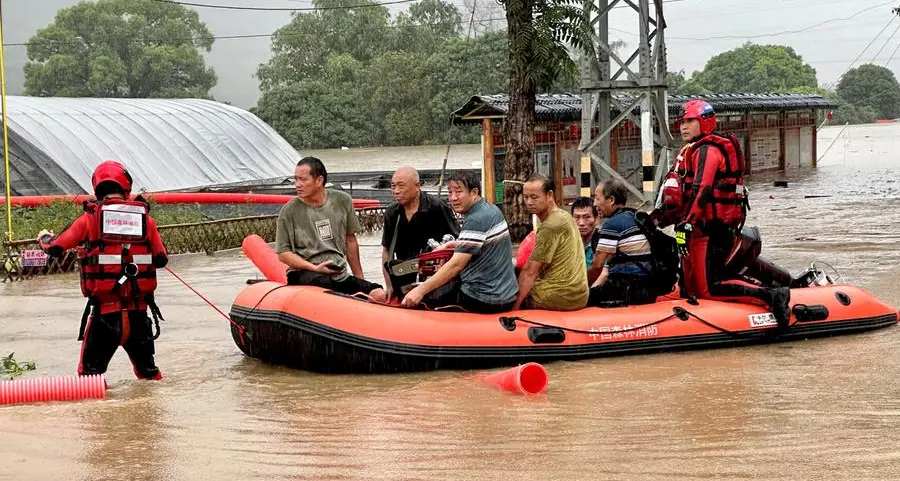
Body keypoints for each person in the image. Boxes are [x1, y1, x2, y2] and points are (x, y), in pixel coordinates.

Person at [659, 99, 791, 327]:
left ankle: (771, 296)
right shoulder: (691, 150)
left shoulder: (708, 150)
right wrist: (659, 219)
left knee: (708, 288)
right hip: (693, 228)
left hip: (710, 230)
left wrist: (687, 221)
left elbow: (702, 187)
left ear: (705, 122)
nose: (683, 126)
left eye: (690, 121)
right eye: (682, 122)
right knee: (690, 287)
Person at [38, 160, 168, 380]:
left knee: (89, 380)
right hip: (139, 315)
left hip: (105, 316)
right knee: (149, 377)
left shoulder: (88, 220)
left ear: (97, 187)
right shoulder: (147, 220)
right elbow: (161, 259)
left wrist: (44, 238)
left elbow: (55, 248)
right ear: (126, 186)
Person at [400, 170, 518, 313]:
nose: (453, 198)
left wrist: (420, 290)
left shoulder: (475, 219)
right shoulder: (491, 209)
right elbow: (484, 243)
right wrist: (453, 244)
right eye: (450, 192)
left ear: (474, 193)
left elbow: (455, 265)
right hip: (506, 293)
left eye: (458, 192)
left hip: (484, 298)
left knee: (425, 296)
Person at [276, 157, 387, 303]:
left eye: (303, 180)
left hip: (337, 273)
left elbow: (350, 240)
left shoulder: (342, 201)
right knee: (326, 286)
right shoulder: (288, 211)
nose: (298, 184)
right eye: (296, 179)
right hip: (304, 273)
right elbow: (283, 254)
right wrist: (314, 268)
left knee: (378, 294)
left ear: (319, 180)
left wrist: (359, 279)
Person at [512, 174, 589, 311]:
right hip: (578, 294)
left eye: (534, 197)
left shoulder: (550, 226)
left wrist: (514, 309)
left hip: (558, 296)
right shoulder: (563, 215)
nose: (529, 202)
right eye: (526, 197)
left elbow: (530, 271)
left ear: (549, 195)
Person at [381, 166, 460, 299]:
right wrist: (389, 285)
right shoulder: (392, 212)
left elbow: (458, 244)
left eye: (401, 186)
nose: (396, 191)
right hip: (404, 275)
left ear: (417, 186)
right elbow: (386, 250)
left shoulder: (437, 207)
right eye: (393, 186)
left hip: (434, 277)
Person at [587, 179, 657, 307]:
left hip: (627, 288)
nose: (595, 204)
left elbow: (597, 266)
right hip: (648, 286)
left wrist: (583, 287)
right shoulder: (634, 217)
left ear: (611, 200)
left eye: (597, 198)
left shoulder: (612, 225)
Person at [571, 196, 601, 270]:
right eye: (577, 217)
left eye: (587, 217)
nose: (581, 223)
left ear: (596, 218)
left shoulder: (603, 243)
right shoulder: (567, 243)